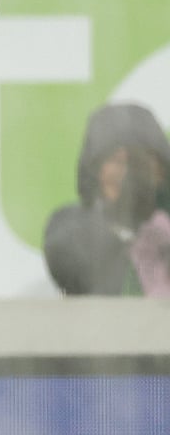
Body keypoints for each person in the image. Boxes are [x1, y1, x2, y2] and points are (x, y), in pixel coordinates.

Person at [43, 103, 170, 296]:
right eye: (117, 160)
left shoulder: (164, 233)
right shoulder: (71, 232)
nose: (129, 173)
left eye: (141, 161)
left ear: (161, 171)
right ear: (94, 169)